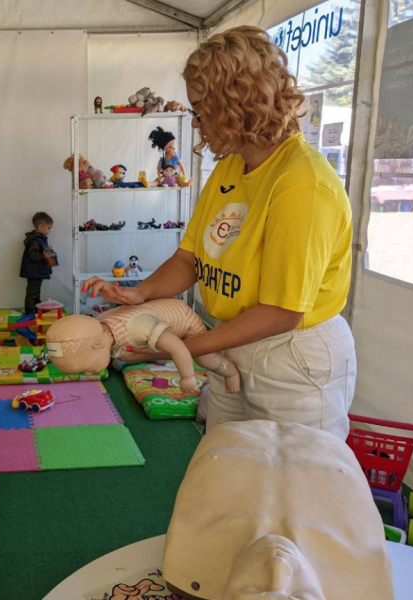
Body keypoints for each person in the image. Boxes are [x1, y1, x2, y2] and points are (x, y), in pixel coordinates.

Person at [83, 26, 356, 439]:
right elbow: (189, 258)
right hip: (235, 341)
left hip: (293, 353)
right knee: (228, 465)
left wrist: (182, 349)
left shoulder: (302, 183)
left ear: (237, 101)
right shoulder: (231, 165)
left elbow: (283, 311)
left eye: (200, 109)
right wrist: (140, 293)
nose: (195, 123)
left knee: (294, 487)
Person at [20, 211, 54, 315]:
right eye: (48, 228)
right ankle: (30, 312)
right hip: (34, 271)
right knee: (32, 292)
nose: (50, 231)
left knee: (36, 291)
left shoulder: (40, 239)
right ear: (40, 227)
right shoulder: (35, 240)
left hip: (37, 271)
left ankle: (36, 307)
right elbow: (32, 255)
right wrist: (44, 256)